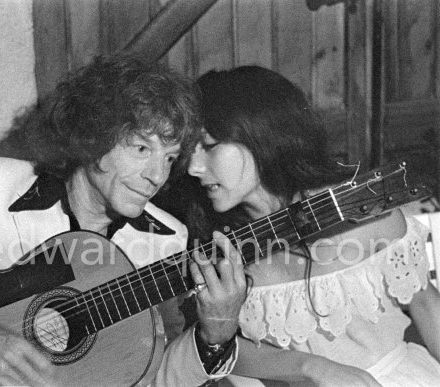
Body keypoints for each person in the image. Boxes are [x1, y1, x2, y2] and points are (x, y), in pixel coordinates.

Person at [0, 55, 247, 386]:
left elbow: (147, 377)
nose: (156, 176)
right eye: (141, 149)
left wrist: (215, 335)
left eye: (169, 159)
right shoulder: (2, 191)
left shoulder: (164, 240)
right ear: (94, 136)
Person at [183, 65, 440, 386]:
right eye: (188, 151)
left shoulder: (361, 212)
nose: (193, 167)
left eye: (208, 146)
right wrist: (311, 366)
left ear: (260, 134)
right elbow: (221, 349)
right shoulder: (215, 246)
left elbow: (427, 306)